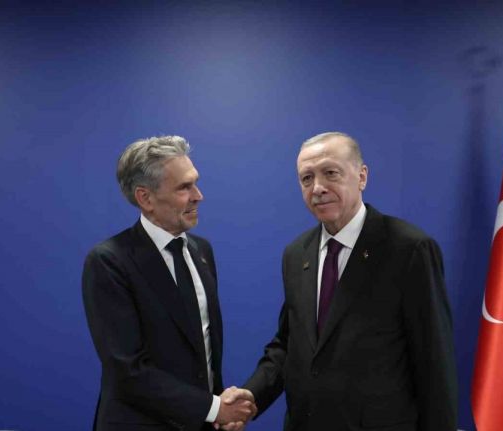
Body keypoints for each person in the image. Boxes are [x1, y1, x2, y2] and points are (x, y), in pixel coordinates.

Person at [240, 132, 457, 430]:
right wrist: (251, 395)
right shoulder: (296, 254)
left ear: (361, 177)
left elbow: (434, 362)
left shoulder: (408, 249)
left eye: (330, 173)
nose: (318, 188)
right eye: (306, 178)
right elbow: (290, 344)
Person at [82, 135, 255, 431]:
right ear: (145, 198)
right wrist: (214, 409)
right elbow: (128, 370)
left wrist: (217, 412)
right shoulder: (109, 261)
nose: (198, 196)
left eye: (195, 183)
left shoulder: (202, 251)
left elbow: (202, 353)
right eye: (184, 187)